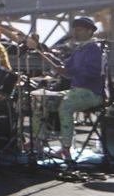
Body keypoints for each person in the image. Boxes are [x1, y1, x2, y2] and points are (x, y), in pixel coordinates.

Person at [34, 17, 104, 160]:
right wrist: (51, 59)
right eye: (74, 30)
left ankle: (66, 149)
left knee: (65, 107)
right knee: (42, 102)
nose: (74, 33)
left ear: (89, 31)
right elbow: (66, 69)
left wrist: (70, 70)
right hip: (75, 91)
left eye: (78, 30)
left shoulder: (95, 48)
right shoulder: (78, 49)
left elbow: (93, 72)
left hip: (92, 93)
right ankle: (37, 142)